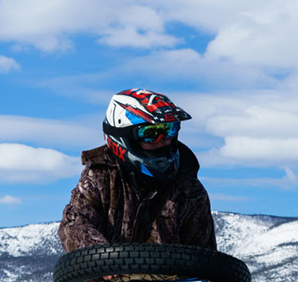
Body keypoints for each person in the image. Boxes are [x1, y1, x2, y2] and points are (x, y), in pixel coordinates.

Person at [59, 88, 216, 253]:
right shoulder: (100, 175)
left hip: (174, 277)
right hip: (107, 274)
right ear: (125, 138)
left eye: (169, 129)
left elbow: (204, 255)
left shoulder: (188, 187)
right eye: (150, 133)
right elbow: (74, 224)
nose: (163, 140)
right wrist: (100, 255)